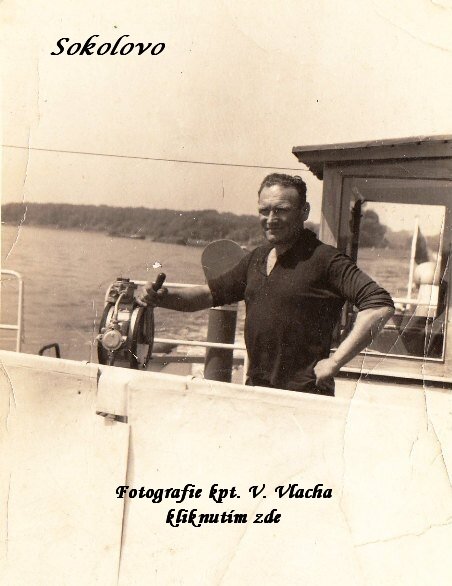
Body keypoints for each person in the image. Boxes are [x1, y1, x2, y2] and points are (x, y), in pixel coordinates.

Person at [137, 174, 394, 395]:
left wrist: (334, 362)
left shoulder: (325, 259)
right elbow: (207, 295)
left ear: (304, 211)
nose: (271, 218)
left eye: (281, 210)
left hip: (304, 394)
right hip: (257, 389)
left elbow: (379, 305)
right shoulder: (257, 258)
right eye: (264, 210)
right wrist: (161, 298)